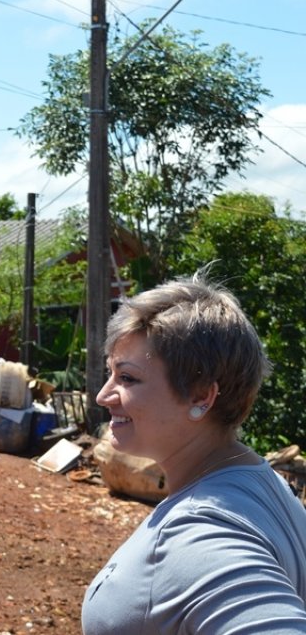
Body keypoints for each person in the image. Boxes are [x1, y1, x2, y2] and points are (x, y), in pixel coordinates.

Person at [82, 270, 306, 634]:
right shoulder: (264, 484)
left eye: (127, 378)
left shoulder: (202, 530)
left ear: (201, 396)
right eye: (110, 373)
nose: (103, 396)